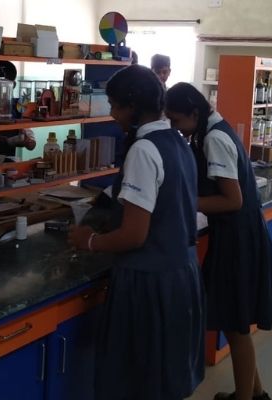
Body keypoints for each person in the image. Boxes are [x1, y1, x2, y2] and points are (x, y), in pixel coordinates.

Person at [68, 65, 204, 400]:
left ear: (132, 106)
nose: (113, 114)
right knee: (163, 379)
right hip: (181, 274)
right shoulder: (178, 140)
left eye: (115, 105)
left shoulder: (144, 150)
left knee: (136, 381)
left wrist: (89, 240)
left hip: (148, 281)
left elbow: (134, 235)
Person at [166, 83, 272, 400]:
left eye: (176, 120)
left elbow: (232, 200)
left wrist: (185, 202)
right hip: (238, 234)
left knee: (236, 327)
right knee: (234, 321)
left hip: (237, 240)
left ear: (194, 113)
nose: (175, 127)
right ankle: (254, 393)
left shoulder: (214, 138)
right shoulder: (212, 129)